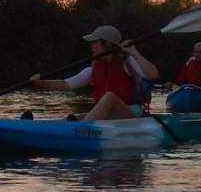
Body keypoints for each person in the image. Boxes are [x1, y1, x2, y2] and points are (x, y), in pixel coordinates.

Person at [30, 23, 159, 121]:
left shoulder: (128, 62)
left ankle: (82, 131)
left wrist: (133, 51)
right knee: (72, 118)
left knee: (109, 97)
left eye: (95, 42)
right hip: (109, 115)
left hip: (132, 113)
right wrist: (41, 83)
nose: (91, 45)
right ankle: (35, 127)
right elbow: (65, 84)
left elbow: (153, 74)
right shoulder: (92, 69)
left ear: (107, 43)